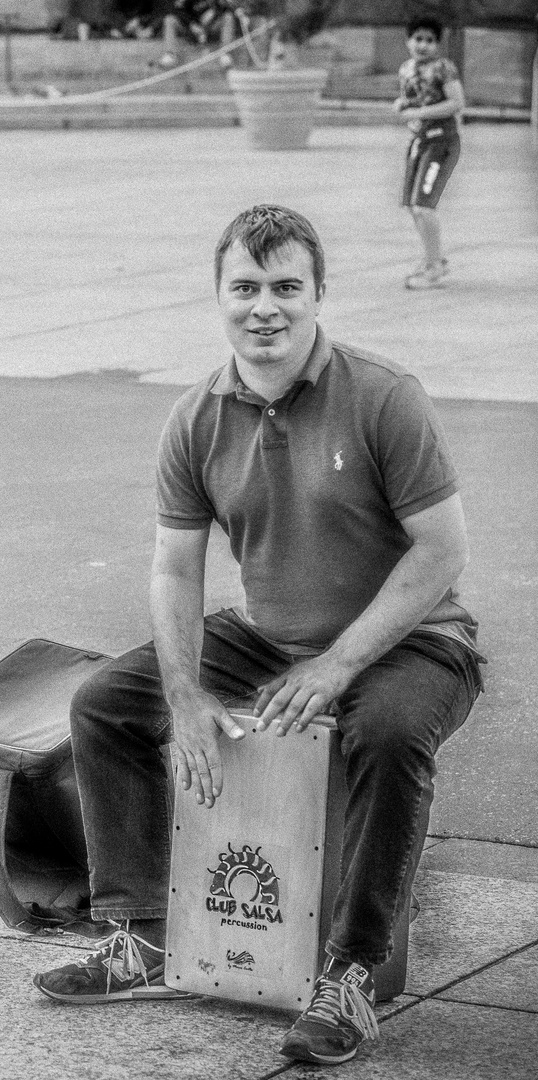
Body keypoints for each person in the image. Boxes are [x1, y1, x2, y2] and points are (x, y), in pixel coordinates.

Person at [32, 205, 482, 1067]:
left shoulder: (385, 397)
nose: (264, 307)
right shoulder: (196, 418)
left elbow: (443, 549)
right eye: (245, 287)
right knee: (103, 705)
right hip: (271, 633)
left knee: (383, 732)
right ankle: (145, 935)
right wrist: (186, 694)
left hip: (415, 637)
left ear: (319, 295)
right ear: (220, 297)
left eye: (286, 287)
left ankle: (349, 972)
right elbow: (174, 570)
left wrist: (341, 662)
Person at [395, 16, 464, 290]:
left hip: (441, 142)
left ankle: (435, 267)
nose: (422, 45)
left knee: (424, 207)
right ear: (408, 41)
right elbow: (413, 99)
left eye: (429, 40)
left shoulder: (443, 69)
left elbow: (456, 102)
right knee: (413, 207)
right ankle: (432, 259)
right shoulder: (406, 69)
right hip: (419, 142)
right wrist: (402, 105)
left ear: (437, 44)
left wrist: (418, 112)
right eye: (418, 39)